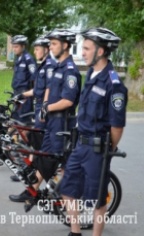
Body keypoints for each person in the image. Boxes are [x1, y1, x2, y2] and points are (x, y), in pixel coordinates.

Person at [60, 27, 127, 236]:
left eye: (87, 48)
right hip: (80, 144)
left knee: (96, 199)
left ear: (101, 51)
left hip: (97, 150)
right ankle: (75, 232)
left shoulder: (113, 84)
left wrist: (108, 148)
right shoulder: (90, 73)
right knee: (67, 190)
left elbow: (117, 126)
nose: (83, 53)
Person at [9, 29, 81, 202]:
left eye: (54, 43)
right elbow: (48, 89)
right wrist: (44, 109)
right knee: (45, 156)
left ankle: (61, 197)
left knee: (56, 160)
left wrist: (47, 108)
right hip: (51, 120)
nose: (51, 46)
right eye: (50, 43)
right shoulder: (57, 67)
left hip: (63, 123)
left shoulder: (70, 71)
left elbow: (68, 101)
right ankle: (34, 192)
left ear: (66, 45)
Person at [8, 37, 56, 199]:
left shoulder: (48, 66)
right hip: (37, 107)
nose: (35, 52)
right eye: (35, 49)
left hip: (41, 110)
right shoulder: (43, 64)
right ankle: (28, 176)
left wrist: (27, 97)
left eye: (38, 49)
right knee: (36, 145)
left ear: (46, 50)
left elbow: (43, 90)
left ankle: (32, 188)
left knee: (40, 148)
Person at [10, 35, 37, 122]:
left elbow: (34, 77)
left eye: (16, 47)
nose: (14, 49)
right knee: (15, 117)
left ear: (23, 46)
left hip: (25, 93)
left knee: (23, 119)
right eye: (13, 47)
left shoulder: (29, 59)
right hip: (17, 92)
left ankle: (24, 135)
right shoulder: (18, 58)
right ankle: (14, 135)